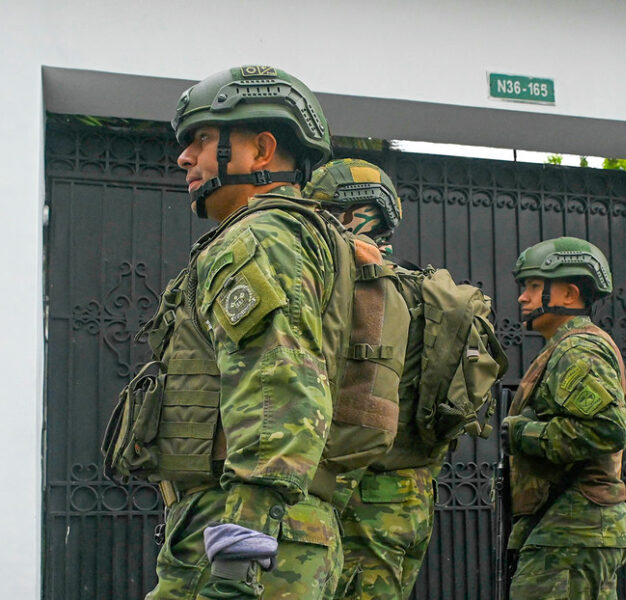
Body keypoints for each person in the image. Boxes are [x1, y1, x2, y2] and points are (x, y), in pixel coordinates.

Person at [103, 65, 407, 599]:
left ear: (262, 150)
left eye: (201, 138)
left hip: (245, 534)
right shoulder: (293, 236)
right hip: (264, 529)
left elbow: (279, 389)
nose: (185, 157)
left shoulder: (259, 237)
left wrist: (239, 553)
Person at [304, 158, 506, 599]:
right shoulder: (420, 288)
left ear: (352, 214)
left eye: (322, 210)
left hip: (357, 492)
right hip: (412, 494)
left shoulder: (356, 287)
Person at [502, 237, 626, 599]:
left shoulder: (577, 349)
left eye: (532, 286)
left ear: (570, 294)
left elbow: (608, 429)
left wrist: (522, 433)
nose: (522, 298)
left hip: (574, 531)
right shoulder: (565, 346)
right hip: (571, 527)